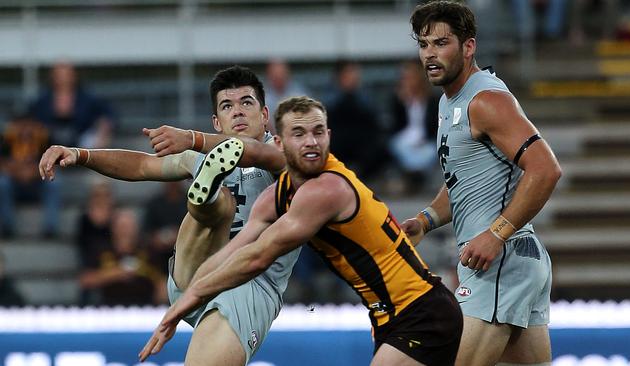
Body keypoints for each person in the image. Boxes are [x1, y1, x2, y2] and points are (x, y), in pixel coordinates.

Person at [139, 96, 463, 366]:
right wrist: (187, 296)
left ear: (329, 136)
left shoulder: (327, 190)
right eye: (299, 133)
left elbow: (257, 258)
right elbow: (232, 253)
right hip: (391, 319)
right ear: (279, 142)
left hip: (422, 312)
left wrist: (186, 302)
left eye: (318, 132)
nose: (311, 142)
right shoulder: (275, 196)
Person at [39, 66, 297, 365]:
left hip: (249, 284)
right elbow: (141, 166)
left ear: (265, 114)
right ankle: (207, 197)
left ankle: (209, 196)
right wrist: (82, 154)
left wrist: (191, 138)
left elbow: (256, 153)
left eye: (246, 103)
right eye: (227, 106)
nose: (237, 112)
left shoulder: (283, 154)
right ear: (216, 121)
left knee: (218, 197)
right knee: (215, 199)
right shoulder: (201, 154)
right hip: (196, 271)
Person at [401, 2, 562, 366]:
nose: (430, 54)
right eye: (424, 44)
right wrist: (425, 220)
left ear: (468, 46)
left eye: (441, 43)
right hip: (515, 263)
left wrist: (496, 233)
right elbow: (463, 181)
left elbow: (546, 169)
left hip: (500, 263)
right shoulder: (450, 101)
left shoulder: (486, 100)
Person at [79, 208, 162, 306]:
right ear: (113, 228)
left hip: (144, 307)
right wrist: (116, 273)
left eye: (129, 226)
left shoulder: (148, 251)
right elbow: (85, 280)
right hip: (109, 308)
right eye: (122, 226)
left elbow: (161, 282)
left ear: (136, 229)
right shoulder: (102, 250)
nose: (125, 231)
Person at [29, 62, 116, 149]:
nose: (63, 79)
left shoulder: (88, 99)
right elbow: (29, 119)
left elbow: (107, 117)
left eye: (67, 75)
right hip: (48, 142)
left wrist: (102, 133)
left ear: (74, 76)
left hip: (82, 142)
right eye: (59, 75)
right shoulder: (42, 100)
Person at [0, 113, 60, 238]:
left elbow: (52, 165)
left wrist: (30, 171)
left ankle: (50, 228)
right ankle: (7, 227)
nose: (25, 129)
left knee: (54, 184)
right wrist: (21, 171)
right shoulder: (7, 139)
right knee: (3, 183)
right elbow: (3, 165)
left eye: (29, 125)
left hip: (37, 182)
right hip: (15, 183)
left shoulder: (44, 139)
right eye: (22, 125)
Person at [387, 59, 440, 193]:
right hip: (405, 138)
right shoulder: (398, 100)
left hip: (425, 140)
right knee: (397, 146)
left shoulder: (432, 99)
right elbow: (395, 126)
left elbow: (434, 126)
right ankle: (415, 176)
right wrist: (405, 102)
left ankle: (413, 176)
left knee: (430, 151)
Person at [264, 58, 309, 134]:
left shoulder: (299, 94)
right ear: (269, 76)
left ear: (288, 74)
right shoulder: (262, 95)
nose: (278, 78)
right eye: (275, 75)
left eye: (281, 74)